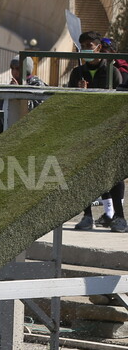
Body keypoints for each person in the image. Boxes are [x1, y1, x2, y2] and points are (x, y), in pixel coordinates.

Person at [68, 33, 127, 232]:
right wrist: (79, 93)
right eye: (82, 45)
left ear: (99, 47)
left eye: (89, 45)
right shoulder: (77, 73)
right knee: (86, 174)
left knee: (113, 175)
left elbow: (116, 104)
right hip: (85, 131)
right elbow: (70, 103)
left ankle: (119, 216)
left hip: (108, 130)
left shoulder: (112, 72)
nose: (86, 49)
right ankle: (86, 216)